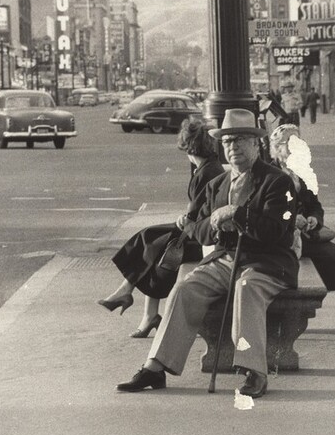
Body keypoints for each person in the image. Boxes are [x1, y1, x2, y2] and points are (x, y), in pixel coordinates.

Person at [116, 108, 299, 398]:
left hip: (267, 263)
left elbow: (278, 231)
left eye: (240, 140)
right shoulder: (217, 185)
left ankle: (255, 371)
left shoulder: (278, 182)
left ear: (256, 144)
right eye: (227, 142)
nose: (233, 147)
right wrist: (213, 225)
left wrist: (238, 214)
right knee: (185, 288)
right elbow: (195, 229)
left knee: (246, 287)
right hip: (225, 259)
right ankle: (155, 366)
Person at [98, 117, 225, 337]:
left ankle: (134, 300)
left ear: (188, 146)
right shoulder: (207, 166)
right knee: (152, 242)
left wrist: (184, 218)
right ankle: (139, 306)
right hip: (200, 232)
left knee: (152, 241)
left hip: (201, 236)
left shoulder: (206, 171)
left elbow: (194, 215)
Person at [269, 124, 335, 334]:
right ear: (277, 148)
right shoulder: (268, 173)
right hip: (280, 238)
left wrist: (313, 219)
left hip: (306, 237)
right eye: (290, 144)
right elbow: (267, 210)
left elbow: (315, 206)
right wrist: (291, 219)